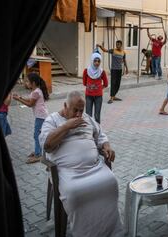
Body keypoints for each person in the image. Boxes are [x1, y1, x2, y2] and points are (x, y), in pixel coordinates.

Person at [39, 91, 122, 237]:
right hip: (68, 172)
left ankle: (109, 232)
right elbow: (47, 145)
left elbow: (101, 135)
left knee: (111, 183)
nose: (78, 115)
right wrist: (66, 127)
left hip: (94, 167)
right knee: (76, 193)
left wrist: (106, 146)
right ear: (65, 106)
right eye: (75, 110)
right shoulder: (52, 120)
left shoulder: (87, 119)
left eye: (81, 110)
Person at [13, 73, 49, 164]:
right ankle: (38, 151)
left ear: (33, 83)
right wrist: (20, 97)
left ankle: (38, 155)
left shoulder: (36, 92)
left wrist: (18, 99)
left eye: (27, 81)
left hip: (41, 117)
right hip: (41, 116)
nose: (26, 83)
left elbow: (30, 104)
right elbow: (29, 99)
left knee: (37, 135)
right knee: (37, 135)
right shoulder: (35, 91)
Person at [83, 52, 108, 123]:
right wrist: (94, 87)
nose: (97, 63)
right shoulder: (86, 71)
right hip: (88, 96)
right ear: (92, 61)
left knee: (97, 116)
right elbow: (84, 83)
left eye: (98, 61)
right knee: (88, 116)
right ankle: (89, 131)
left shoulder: (102, 72)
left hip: (98, 97)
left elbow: (106, 84)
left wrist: (99, 88)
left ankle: (97, 131)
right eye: (95, 61)